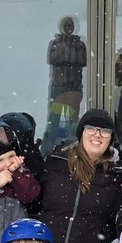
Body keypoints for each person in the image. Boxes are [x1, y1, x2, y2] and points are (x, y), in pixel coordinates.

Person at [38, 109, 122, 243]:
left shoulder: (118, 173)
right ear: (81, 133)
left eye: (105, 131)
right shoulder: (56, 162)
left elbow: (119, 220)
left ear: (111, 138)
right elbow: (34, 201)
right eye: (91, 128)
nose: (98, 135)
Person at [43, 15, 87, 156]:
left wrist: (69, 52)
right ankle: (46, 152)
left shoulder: (79, 44)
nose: (68, 29)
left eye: (70, 26)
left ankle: (71, 153)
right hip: (58, 89)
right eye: (66, 26)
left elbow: (82, 61)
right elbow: (53, 59)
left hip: (74, 88)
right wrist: (66, 49)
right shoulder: (55, 43)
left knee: (71, 123)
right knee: (53, 121)